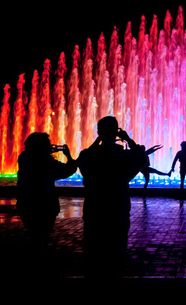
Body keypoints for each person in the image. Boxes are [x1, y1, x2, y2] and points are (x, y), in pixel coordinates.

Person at [76, 116, 147, 283]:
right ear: (116, 132)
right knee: (117, 246)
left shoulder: (90, 156)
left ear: (99, 132)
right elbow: (142, 159)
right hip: (117, 205)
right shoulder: (122, 156)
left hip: (95, 206)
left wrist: (99, 140)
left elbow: (82, 160)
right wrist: (128, 139)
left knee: (93, 246)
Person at [16, 133, 77, 254]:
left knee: (34, 235)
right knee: (43, 236)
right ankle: (42, 264)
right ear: (42, 146)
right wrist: (68, 156)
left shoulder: (24, 158)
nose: (51, 145)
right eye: (48, 144)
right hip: (45, 204)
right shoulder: (46, 162)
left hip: (26, 202)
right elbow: (68, 170)